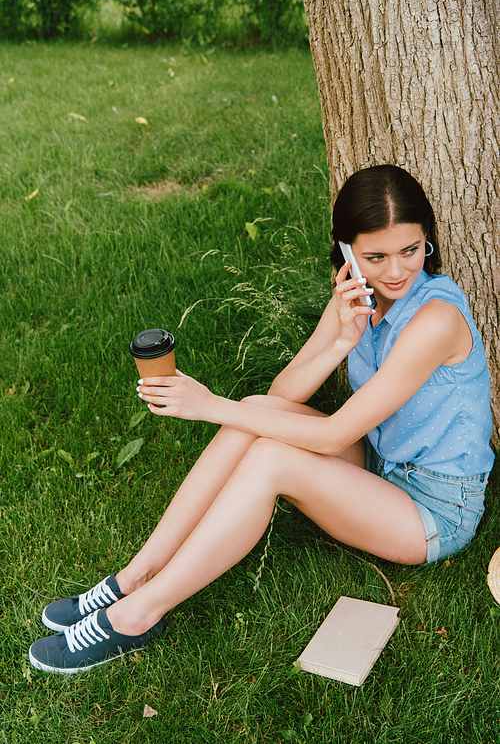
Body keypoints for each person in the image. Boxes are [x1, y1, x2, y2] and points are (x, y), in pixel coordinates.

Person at [29, 164, 495, 674]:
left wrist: (209, 406)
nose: (395, 272)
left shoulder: (435, 319)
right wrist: (341, 339)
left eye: (410, 250)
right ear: (346, 252)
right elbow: (281, 396)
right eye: (375, 256)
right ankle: (134, 578)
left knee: (271, 458)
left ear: (426, 239)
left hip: (435, 510)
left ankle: (138, 615)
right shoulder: (358, 298)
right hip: (383, 466)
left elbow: (336, 433)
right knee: (258, 413)